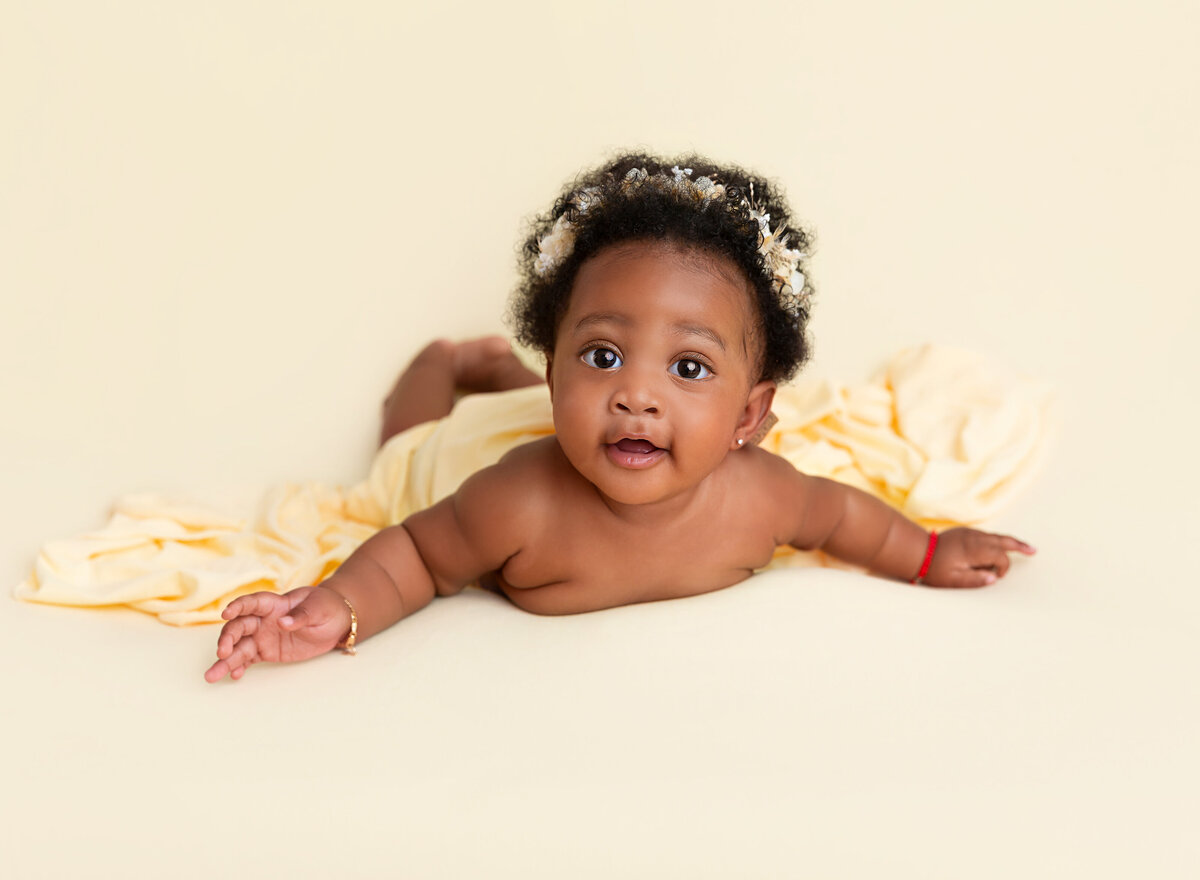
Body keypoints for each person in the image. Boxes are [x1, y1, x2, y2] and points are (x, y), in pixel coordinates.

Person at [204, 154, 1036, 683]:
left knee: (521, 407)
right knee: (409, 447)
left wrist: (928, 552)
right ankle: (450, 364)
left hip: (552, 416)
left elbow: (847, 518)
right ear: (558, 360)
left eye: (688, 368)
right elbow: (417, 554)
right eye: (601, 356)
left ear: (751, 414)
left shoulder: (765, 495)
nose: (638, 396)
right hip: (450, 462)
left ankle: (497, 373)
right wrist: (336, 608)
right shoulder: (516, 501)